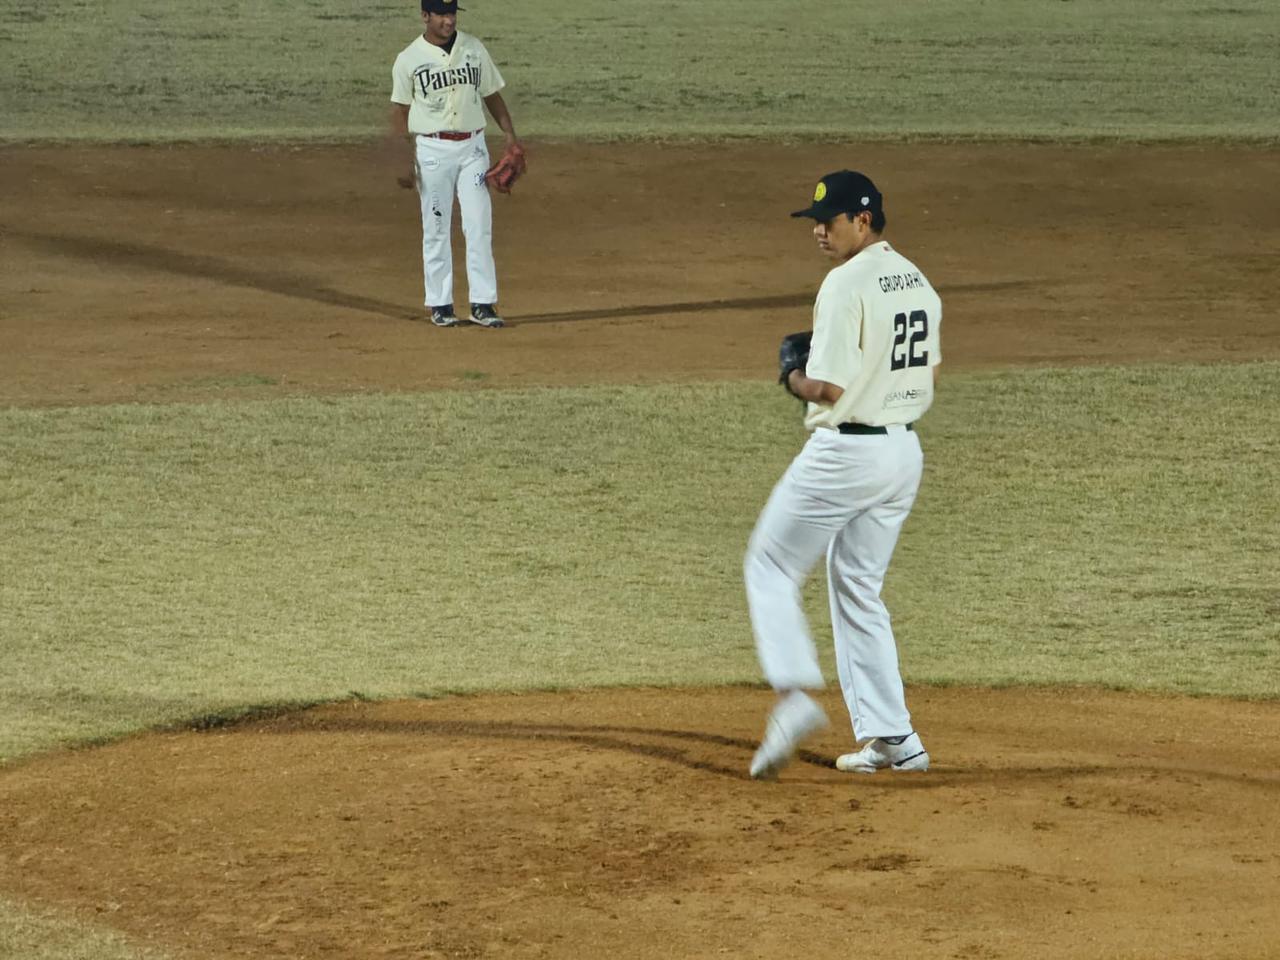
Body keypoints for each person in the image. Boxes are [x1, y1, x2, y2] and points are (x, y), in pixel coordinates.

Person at [745, 170, 942, 780]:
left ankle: (793, 698)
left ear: (862, 219)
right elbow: (931, 372)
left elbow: (828, 388)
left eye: (827, 222)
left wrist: (792, 376)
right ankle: (895, 738)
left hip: (848, 453)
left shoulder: (844, 284)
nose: (818, 232)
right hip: (903, 454)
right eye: (814, 223)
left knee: (770, 565)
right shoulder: (916, 279)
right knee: (856, 584)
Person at [389, 0, 522, 328]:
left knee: (478, 224)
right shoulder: (409, 59)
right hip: (433, 150)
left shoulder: (473, 48)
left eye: (452, 14)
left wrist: (510, 136)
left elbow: (491, 95)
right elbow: (401, 111)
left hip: (473, 149)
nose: (449, 21)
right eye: (442, 15)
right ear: (425, 16)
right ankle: (440, 303)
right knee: (436, 227)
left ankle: (483, 304)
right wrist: (402, 157)